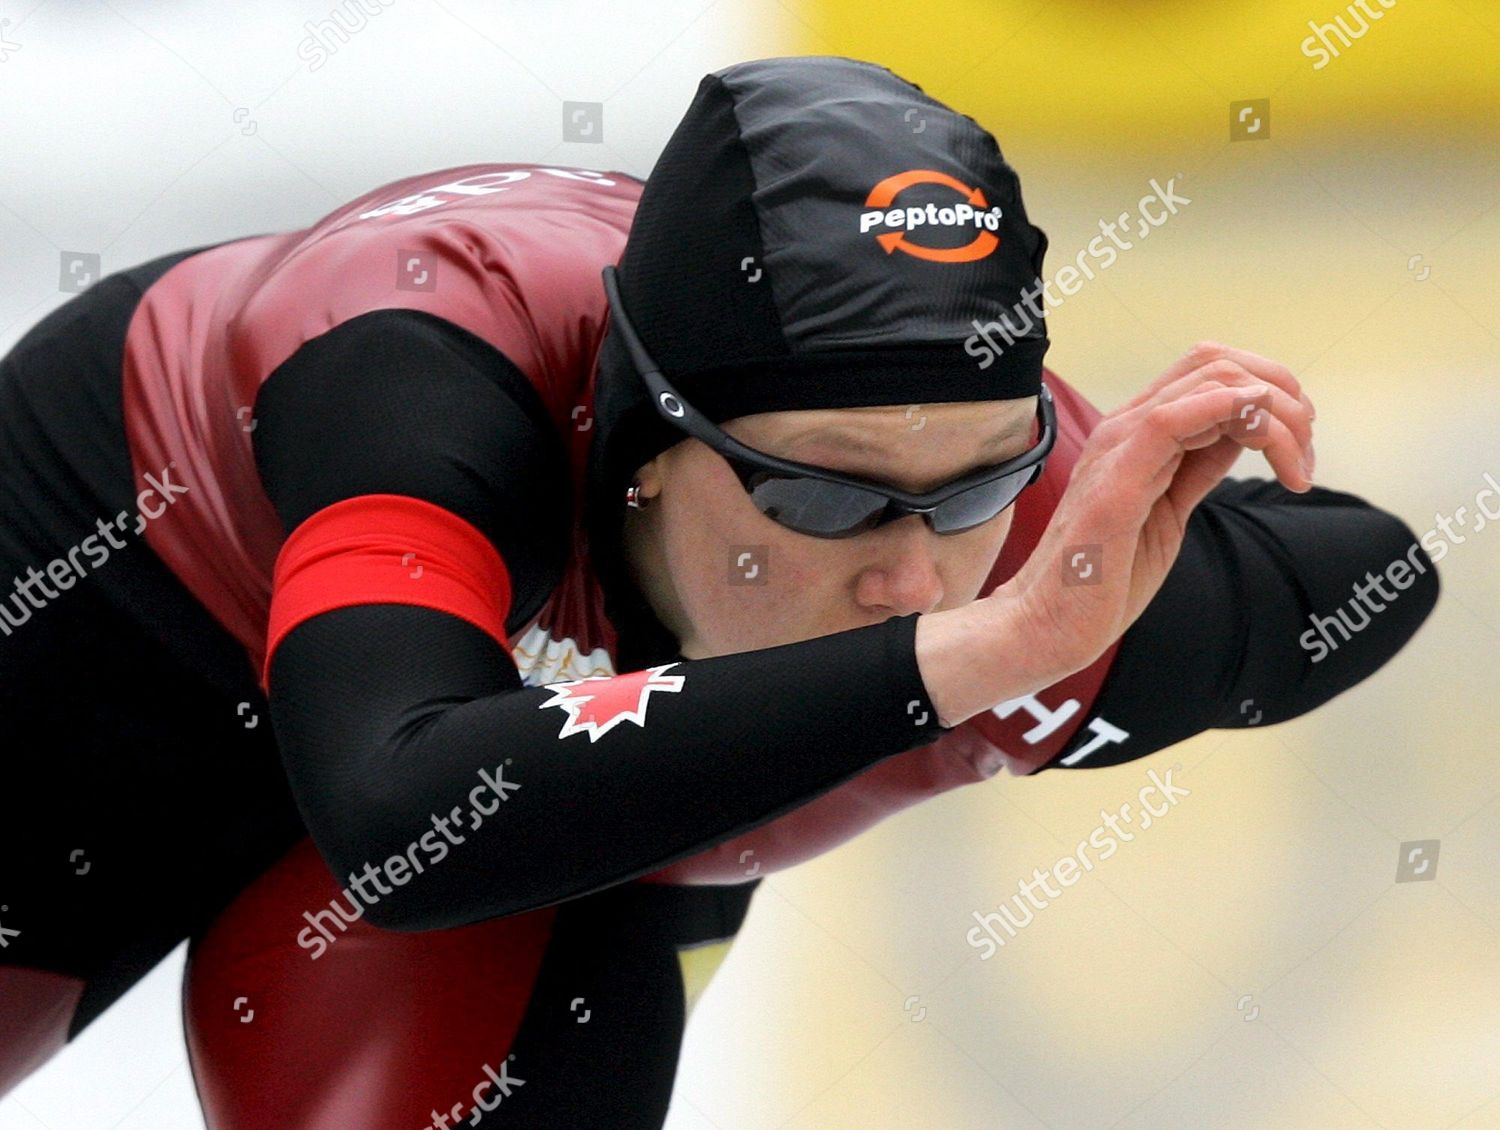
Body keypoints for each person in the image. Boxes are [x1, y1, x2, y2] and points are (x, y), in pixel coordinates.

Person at [0, 55, 1437, 1128]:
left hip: (535, 827)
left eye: (981, 488)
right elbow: (402, 809)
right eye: (824, 493)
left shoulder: (1028, 550)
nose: (911, 573)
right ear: (638, 442)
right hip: (130, 638)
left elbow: (1372, 573)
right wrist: (967, 661)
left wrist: (1097, 534)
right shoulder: (413, 375)